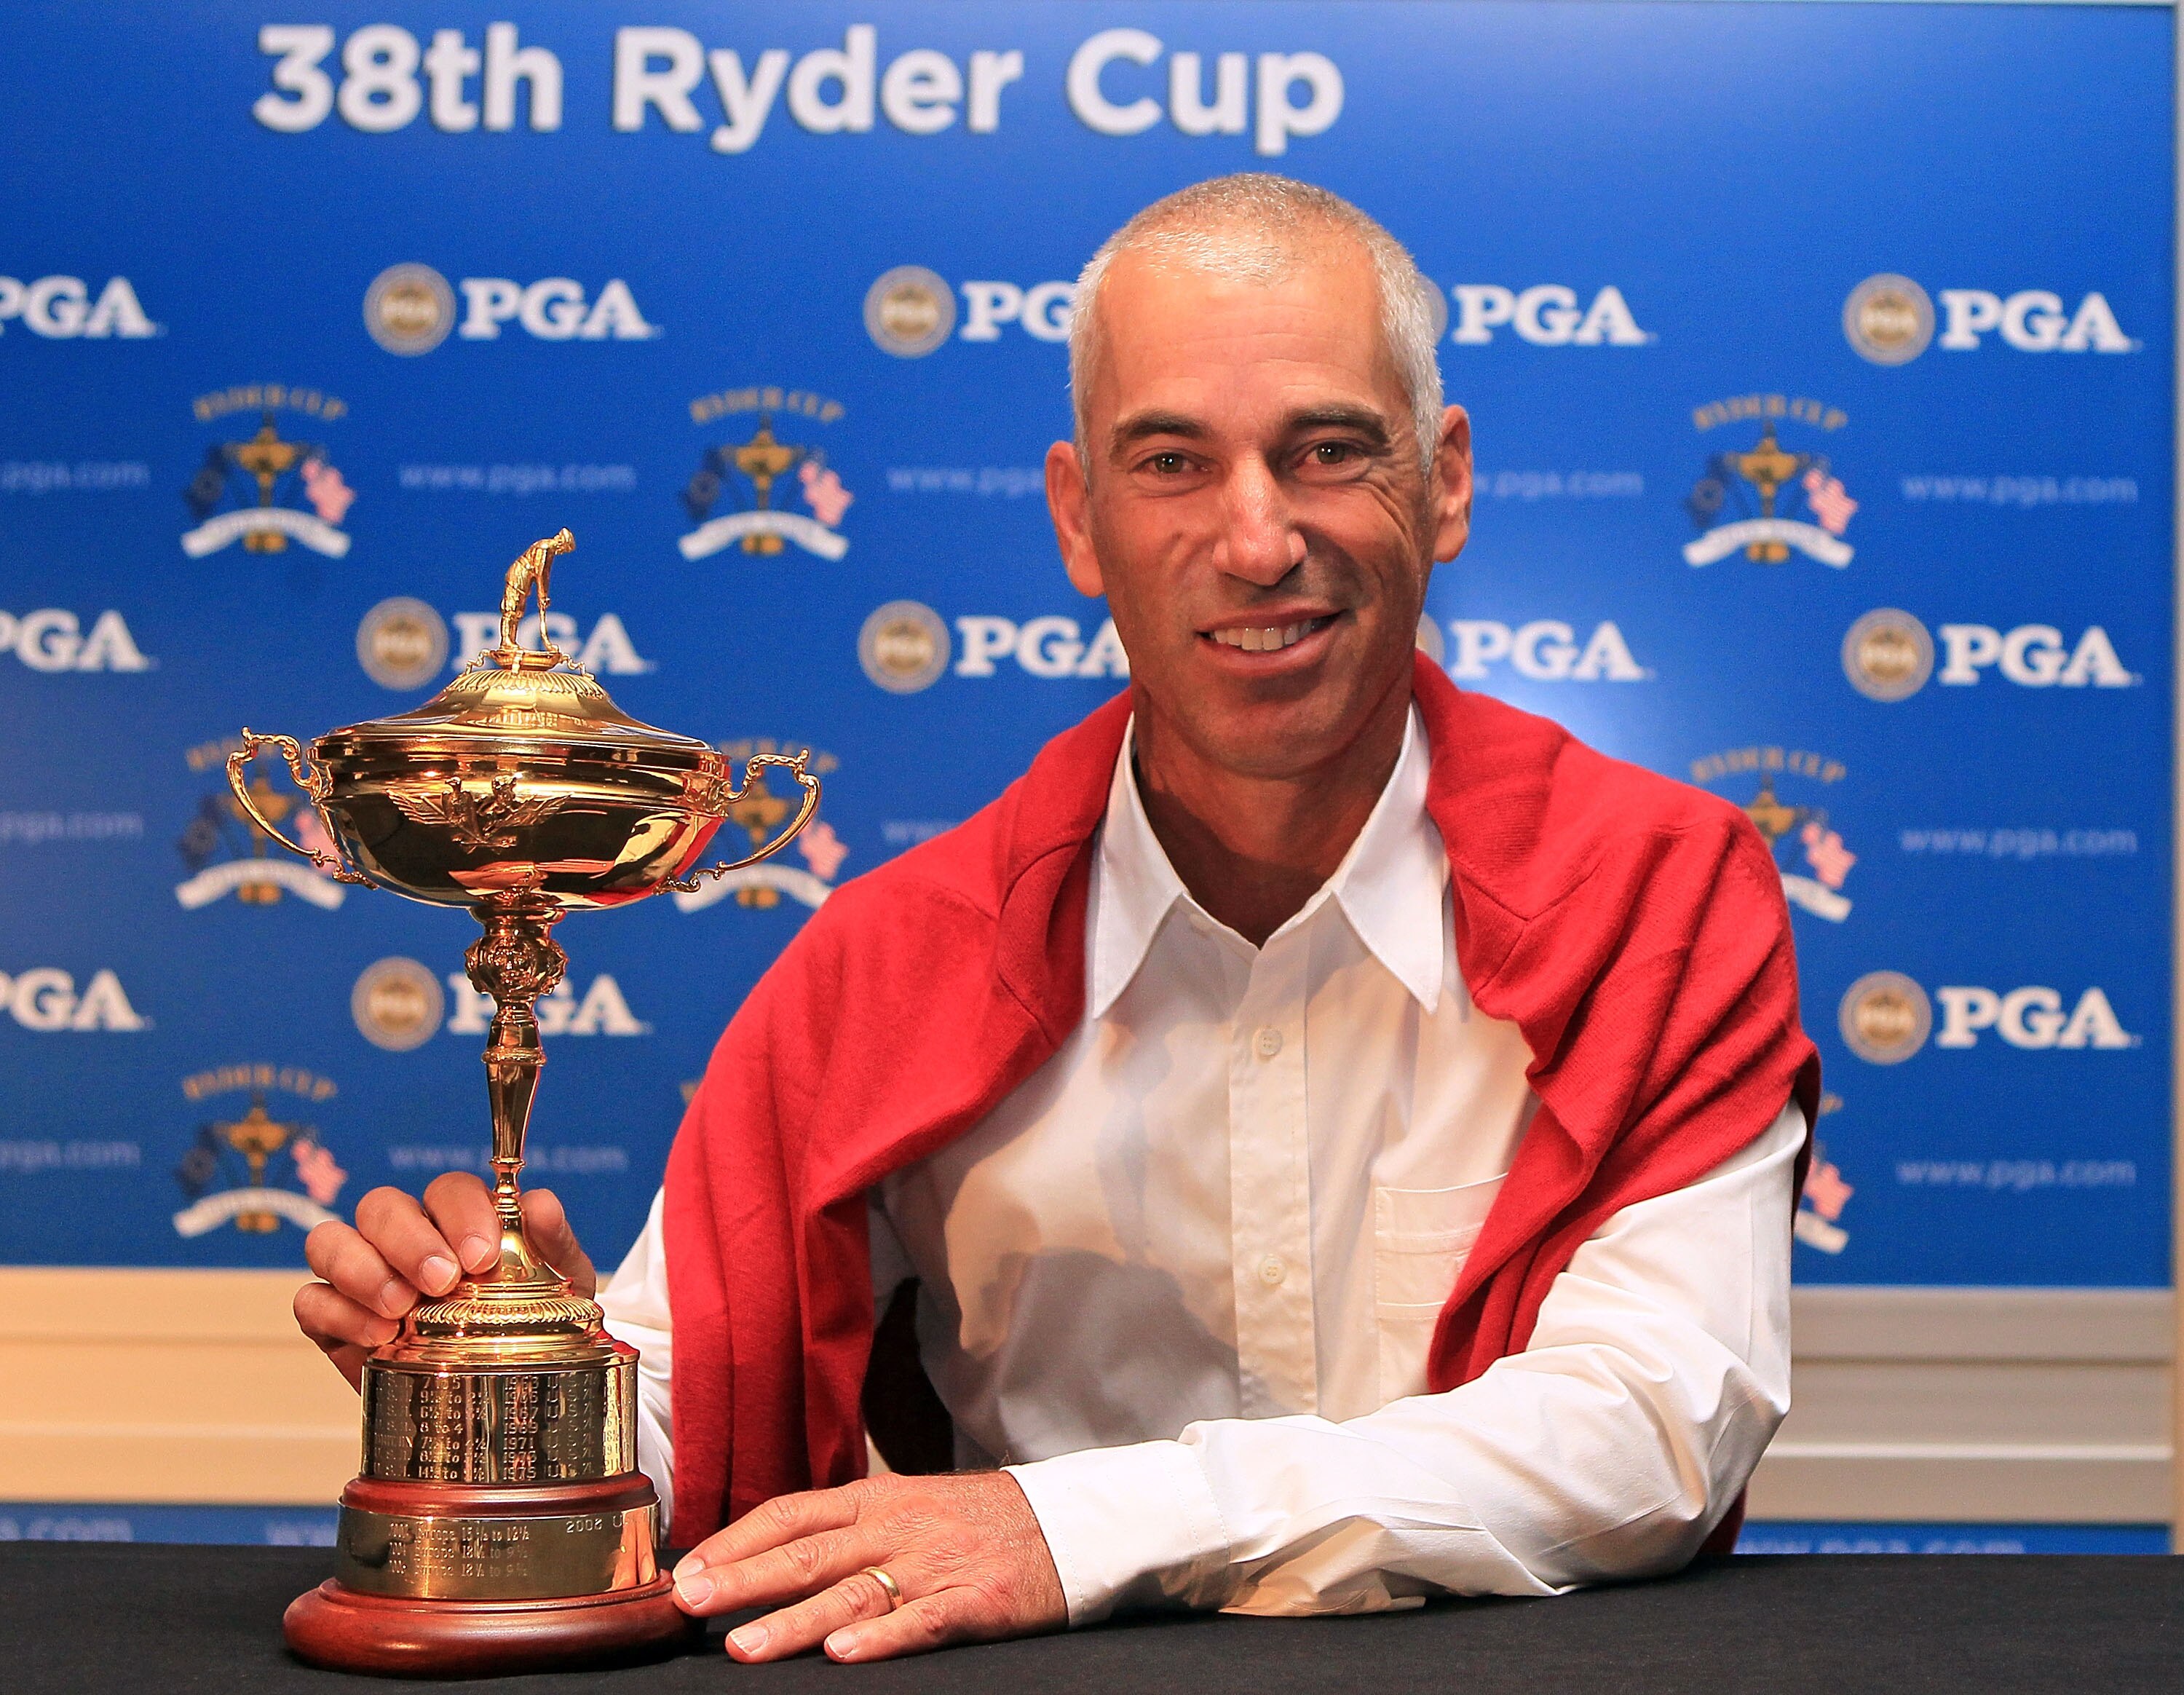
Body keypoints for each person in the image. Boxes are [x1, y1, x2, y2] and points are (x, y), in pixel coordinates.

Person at [296, 175, 1819, 1666]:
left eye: (1327, 450)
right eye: (1172, 462)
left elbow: (1655, 1420)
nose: (1256, 539)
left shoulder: (1657, 897)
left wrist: (1070, 1528)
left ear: (1448, 482)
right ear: (1079, 522)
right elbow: (702, 1428)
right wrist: (524, 1403)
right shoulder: (885, 962)